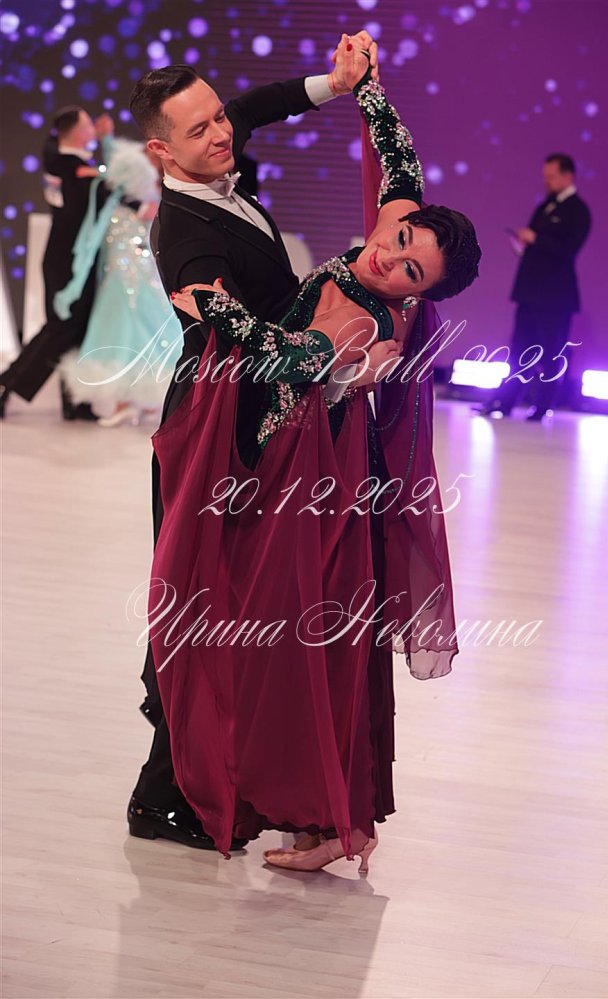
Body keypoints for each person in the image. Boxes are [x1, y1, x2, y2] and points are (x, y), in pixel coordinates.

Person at [146, 55, 481, 872]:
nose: (390, 256)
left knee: (279, 631)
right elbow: (397, 159)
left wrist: (232, 317)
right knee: (248, 621)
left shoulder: (369, 320)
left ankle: (311, 811)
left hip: (288, 466)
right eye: (399, 237)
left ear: (420, 290)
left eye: (411, 269)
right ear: (165, 150)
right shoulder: (189, 229)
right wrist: (361, 85)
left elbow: (285, 353)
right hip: (261, 443)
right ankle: (289, 803)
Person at [125, 31, 381, 852]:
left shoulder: (214, 144)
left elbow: (257, 106)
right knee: (206, 602)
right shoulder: (187, 241)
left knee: (229, 605)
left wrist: (337, 83)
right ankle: (163, 795)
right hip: (218, 432)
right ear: (160, 150)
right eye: (199, 129)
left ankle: (191, 783)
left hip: (255, 413)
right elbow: (246, 340)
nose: (220, 133)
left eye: (216, 118)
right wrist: (335, 350)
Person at [56, 132, 178, 427]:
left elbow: (149, 211)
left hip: (133, 260)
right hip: (124, 258)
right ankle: (136, 400)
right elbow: (119, 184)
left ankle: (132, 401)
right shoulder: (134, 171)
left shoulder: (154, 180)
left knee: (133, 319)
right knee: (133, 320)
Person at [0, 107, 111, 420]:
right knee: (61, 328)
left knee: (78, 329)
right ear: (76, 131)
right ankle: (6, 383)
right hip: (66, 261)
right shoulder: (64, 163)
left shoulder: (77, 165)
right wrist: (106, 149)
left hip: (81, 260)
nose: (94, 128)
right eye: (88, 124)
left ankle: (75, 400)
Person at [476, 153, 591, 421]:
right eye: (545, 177)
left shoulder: (578, 211)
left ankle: (543, 405)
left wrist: (536, 239)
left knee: (551, 351)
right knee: (519, 348)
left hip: (555, 296)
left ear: (568, 176)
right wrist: (524, 245)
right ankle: (506, 401)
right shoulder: (545, 206)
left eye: (551, 176)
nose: (547, 182)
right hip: (530, 291)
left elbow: (568, 249)